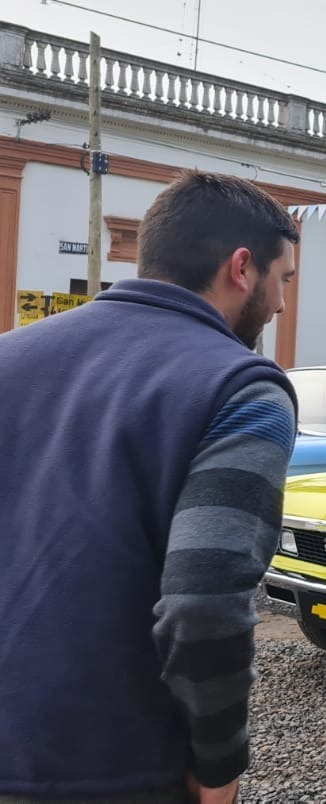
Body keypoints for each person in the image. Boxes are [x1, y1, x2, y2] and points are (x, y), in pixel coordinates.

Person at [0, 172, 300, 803]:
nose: (279, 304)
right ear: (241, 268)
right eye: (284, 280)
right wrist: (218, 767)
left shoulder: (9, 355)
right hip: (111, 767)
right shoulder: (242, 390)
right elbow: (204, 602)